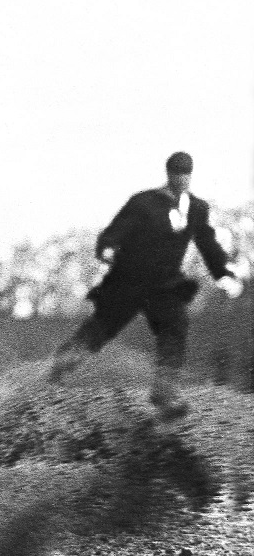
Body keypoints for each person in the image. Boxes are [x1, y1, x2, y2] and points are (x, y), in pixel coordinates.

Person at [50, 151, 244, 417]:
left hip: (163, 286)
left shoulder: (196, 209)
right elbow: (113, 233)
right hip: (127, 282)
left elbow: (207, 242)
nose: (182, 178)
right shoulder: (144, 202)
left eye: (186, 173)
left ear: (191, 175)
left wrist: (223, 273)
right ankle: (55, 374)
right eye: (177, 172)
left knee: (175, 326)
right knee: (100, 329)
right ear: (169, 173)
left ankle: (164, 392)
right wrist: (107, 249)